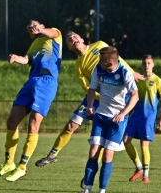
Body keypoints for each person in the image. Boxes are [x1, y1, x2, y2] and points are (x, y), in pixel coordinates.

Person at [35, 31, 144, 169]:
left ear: (81, 38)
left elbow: (118, 59)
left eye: (74, 36)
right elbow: (87, 87)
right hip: (95, 98)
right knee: (70, 125)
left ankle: (94, 173)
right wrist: (96, 99)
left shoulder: (99, 45)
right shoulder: (78, 65)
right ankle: (52, 155)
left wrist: (132, 72)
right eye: (69, 39)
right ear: (69, 47)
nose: (72, 39)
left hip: (114, 99)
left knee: (104, 138)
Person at [0, 20, 62, 182]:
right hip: (31, 82)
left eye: (34, 24)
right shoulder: (34, 45)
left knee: (33, 125)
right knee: (11, 122)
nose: (31, 27)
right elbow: (27, 59)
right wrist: (17, 58)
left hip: (47, 82)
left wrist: (41, 29)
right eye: (29, 27)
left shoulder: (53, 35)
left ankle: (22, 167)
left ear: (42, 25)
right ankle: (9, 163)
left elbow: (52, 33)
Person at [73, 47, 139, 193]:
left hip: (117, 121)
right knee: (93, 152)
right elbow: (91, 89)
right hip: (101, 116)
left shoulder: (124, 73)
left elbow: (135, 95)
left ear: (109, 63)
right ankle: (86, 192)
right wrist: (89, 106)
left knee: (107, 156)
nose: (98, 63)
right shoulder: (98, 68)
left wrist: (123, 113)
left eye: (102, 61)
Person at [123, 54, 161, 183]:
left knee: (144, 144)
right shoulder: (138, 80)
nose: (146, 65)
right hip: (135, 115)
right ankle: (139, 168)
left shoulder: (158, 81)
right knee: (125, 140)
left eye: (149, 63)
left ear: (153, 64)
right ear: (142, 65)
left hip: (148, 117)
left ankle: (145, 176)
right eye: (144, 63)